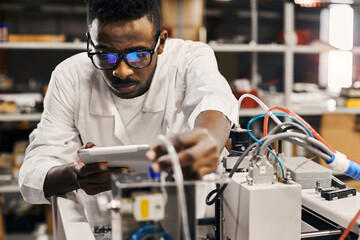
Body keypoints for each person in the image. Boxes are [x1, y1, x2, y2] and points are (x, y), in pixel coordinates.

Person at [19, 0, 238, 206]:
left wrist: (209, 138)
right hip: (104, 225)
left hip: (185, 220)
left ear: (161, 42)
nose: (121, 71)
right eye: (105, 55)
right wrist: (75, 175)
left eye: (138, 55)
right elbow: (32, 172)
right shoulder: (70, 76)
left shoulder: (188, 59)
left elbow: (212, 98)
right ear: (90, 42)